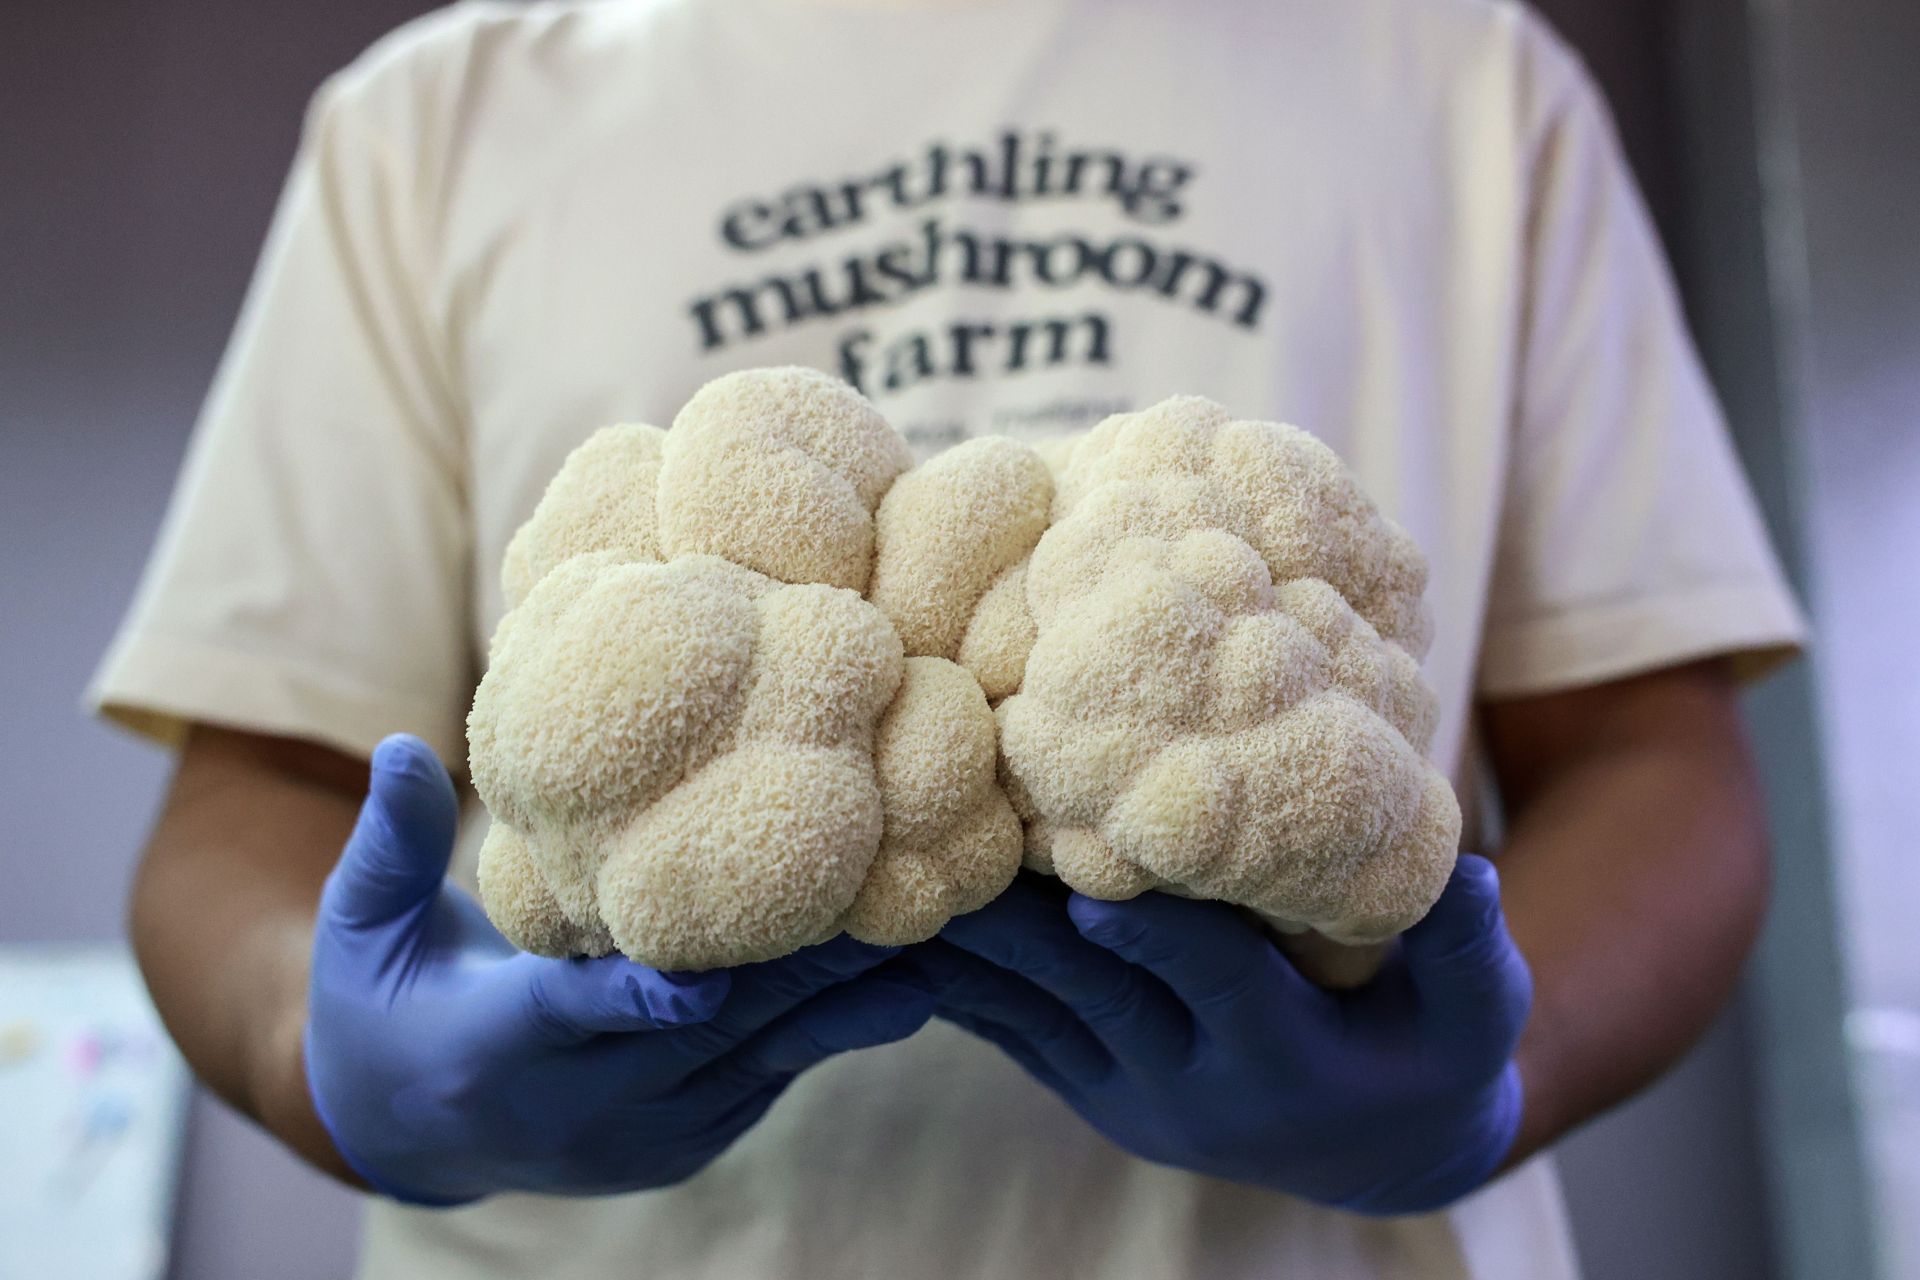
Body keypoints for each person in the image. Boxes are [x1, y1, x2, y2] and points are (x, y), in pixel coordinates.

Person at [91, 0, 1808, 1276]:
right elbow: (248, 796)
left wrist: (1505, 1073)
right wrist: (332, 1066)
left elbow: (1658, 762)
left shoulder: (1458, 75)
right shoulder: (440, 117)